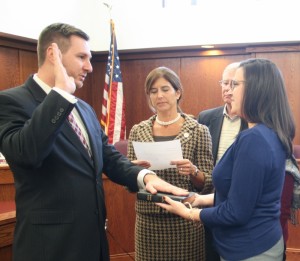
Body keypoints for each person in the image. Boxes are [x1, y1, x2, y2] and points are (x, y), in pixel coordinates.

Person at [0, 23, 188, 261]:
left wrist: (145, 177)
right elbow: (26, 152)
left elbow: (109, 157)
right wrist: (59, 94)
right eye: (82, 57)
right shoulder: (10, 101)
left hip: (92, 242)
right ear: (53, 54)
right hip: (49, 247)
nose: (90, 66)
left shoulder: (84, 109)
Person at [157, 58, 296, 261]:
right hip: (260, 242)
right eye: (227, 84)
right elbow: (244, 193)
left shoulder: (254, 139)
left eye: (236, 84)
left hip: (250, 250)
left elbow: (236, 212)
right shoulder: (268, 131)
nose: (229, 91)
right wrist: (199, 199)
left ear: (256, 89)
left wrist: (190, 213)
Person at [127, 66, 214, 261]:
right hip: (148, 220)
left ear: (178, 92)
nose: (159, 95)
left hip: (184, 218)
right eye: (153, 91)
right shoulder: (138, 131)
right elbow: (130, 186)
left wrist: (193, 171)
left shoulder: (199, 131)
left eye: (165, 89)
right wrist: (133, 171)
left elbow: (209, 182)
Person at [198, 62, 247, 165]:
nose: (227, 88)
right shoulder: (205, 118)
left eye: (233, 84)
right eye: (225, 83)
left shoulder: (252, 120)